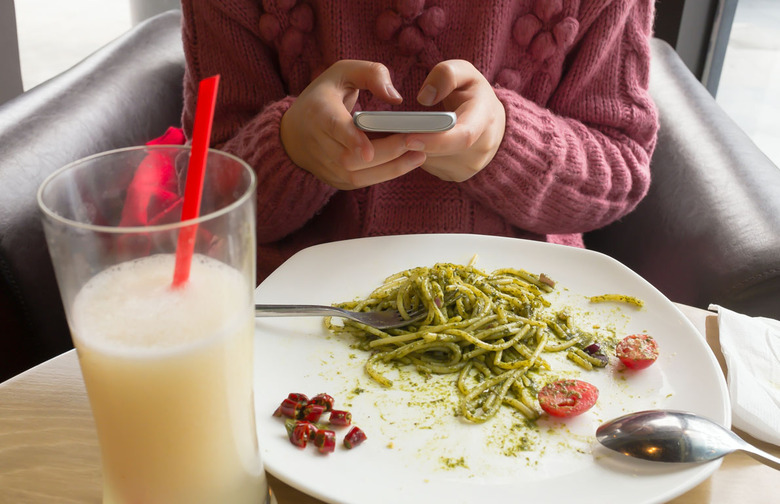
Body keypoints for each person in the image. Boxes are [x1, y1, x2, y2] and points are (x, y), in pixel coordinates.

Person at [180, 0, 658, 282]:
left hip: (521, 302)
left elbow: (620, 170)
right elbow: (204, 197)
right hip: (298, 309)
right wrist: (291, 149)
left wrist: (506, 144)